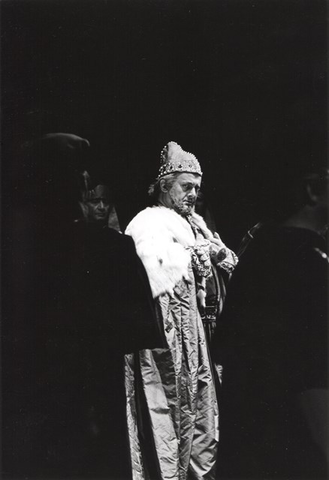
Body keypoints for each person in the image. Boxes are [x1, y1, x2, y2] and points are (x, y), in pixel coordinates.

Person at [2, 133, 163, 479]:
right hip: (79, 398)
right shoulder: (104, 249)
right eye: (81, 184)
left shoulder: (28, 249)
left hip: (55, 396)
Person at [124, 141, 238, 480]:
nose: (192, 194)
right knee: (170, 418)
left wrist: (216, 255)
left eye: (197, 188)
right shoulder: (148, 225)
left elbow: (226, 267)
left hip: (200, 341)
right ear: (164, 186)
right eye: (185, 187)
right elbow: (154, 287)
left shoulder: (196, 224)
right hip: (169, 345)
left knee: (204, 424)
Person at [211, 166, 328, 479]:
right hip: (299, 444)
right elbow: (312, 371)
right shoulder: (309, 261)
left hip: (251, 443)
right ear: (312, 191)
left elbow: (225, 344)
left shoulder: (259, 250)